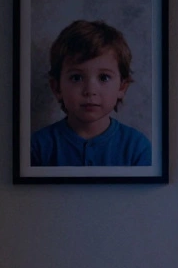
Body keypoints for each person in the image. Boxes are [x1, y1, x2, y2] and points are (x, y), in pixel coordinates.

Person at [30, 20, 152, 167]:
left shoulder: (137, 148)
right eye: (76, 78)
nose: (90, 91)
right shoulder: (37, 147)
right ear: (57, 88)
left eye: (104, 77)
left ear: (122, 88)